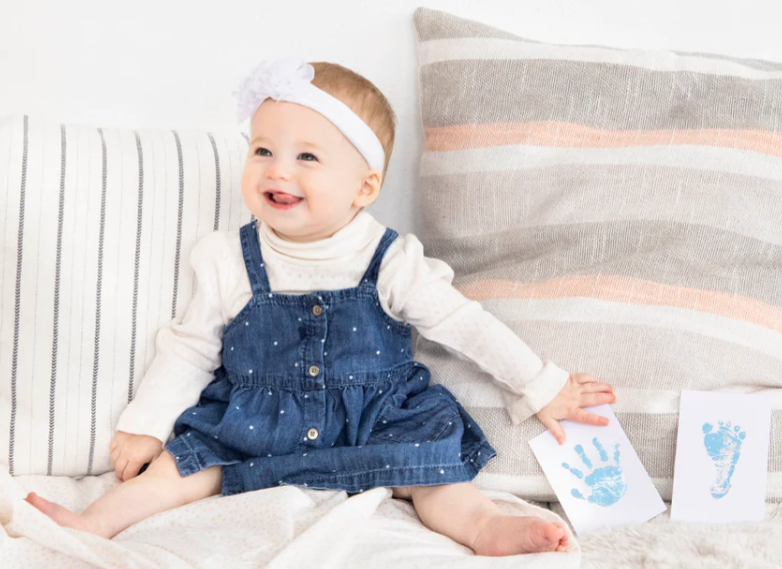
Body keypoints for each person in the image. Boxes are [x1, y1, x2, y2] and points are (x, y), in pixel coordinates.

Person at [25, 57, 616, 555]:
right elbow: (191, 347)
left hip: (376, 414)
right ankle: (95, 521)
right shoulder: (228, 259)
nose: (277, 169)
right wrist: (145, 425)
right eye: (262, 149)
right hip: (256, 418)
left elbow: (462, 323)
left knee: (434, 471)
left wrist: (541, 385)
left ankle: (485, 527)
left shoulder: (390, 260)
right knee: (179, 469)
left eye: (307, 157)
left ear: (364, 186)